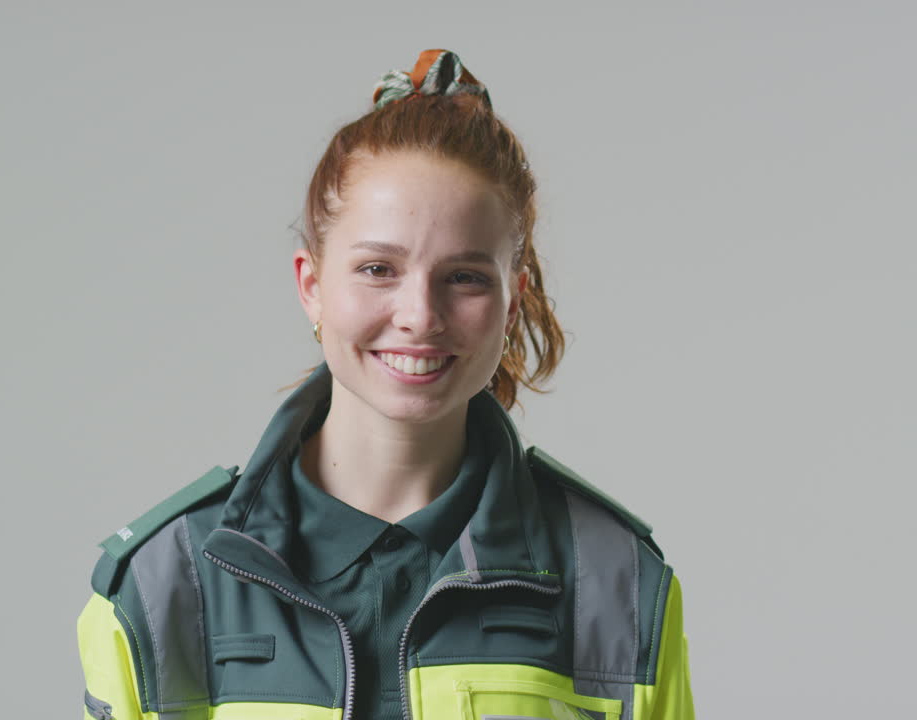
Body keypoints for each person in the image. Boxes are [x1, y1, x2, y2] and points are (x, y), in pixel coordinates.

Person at [76, 49, 695, 720]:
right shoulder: (166, 583)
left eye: (464, 277)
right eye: (377, 269)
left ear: (511, 300)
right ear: (312, 286)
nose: (419, 317)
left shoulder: (615, 579)